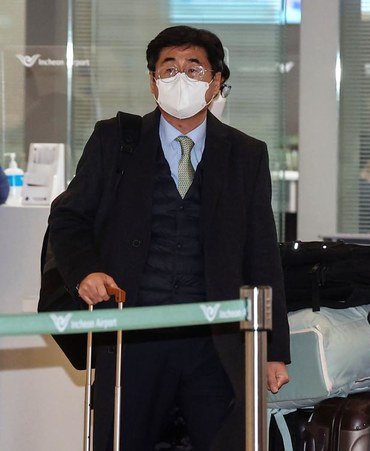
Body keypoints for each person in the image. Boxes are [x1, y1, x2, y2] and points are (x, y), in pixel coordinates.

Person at [47, 25, 290, 450]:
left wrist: (272, 349)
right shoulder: (115, 141)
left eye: (195, 69)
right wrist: (85, 271)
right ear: (152, 82)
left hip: (215, 346)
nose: (181, 78)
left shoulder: (246, 154)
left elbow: (262, 253)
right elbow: (68, 218)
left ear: (215, 84)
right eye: (169, 68)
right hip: (133, 339)